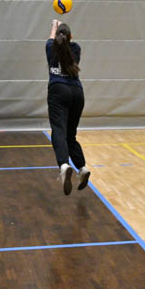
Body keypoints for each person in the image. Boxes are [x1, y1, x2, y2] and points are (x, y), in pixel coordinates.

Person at [46, 19, 91, 195]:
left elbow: (51, 39)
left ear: (57, 36)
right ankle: (82, 167)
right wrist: (64, 31)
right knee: (70, 134)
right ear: (71, 36)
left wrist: (54, 25)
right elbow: (66, 41)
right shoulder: (76, 48)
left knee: (59, 130)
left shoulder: (50, 48)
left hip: (58, 90)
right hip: (77, 93)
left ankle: (64, 165)